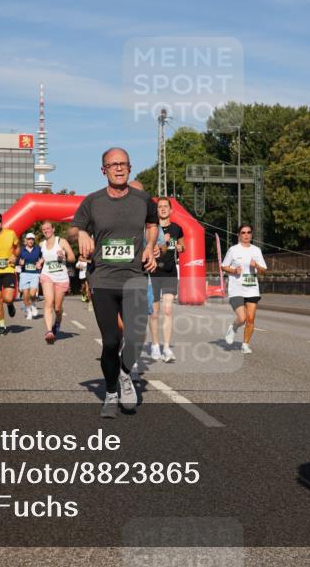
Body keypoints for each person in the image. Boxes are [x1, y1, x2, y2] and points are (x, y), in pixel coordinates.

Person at [70, 148, 157, 418]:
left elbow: (153, 224)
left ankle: (125, 373)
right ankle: (110, 392)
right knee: (110, 341)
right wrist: (82, 233)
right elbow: (72, 229)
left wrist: (150, 245)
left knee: (135, 338)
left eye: (123, 164)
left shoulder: (143, 199)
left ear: (130, 168)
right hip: (104, 278)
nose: (118, 168)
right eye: (112, 165)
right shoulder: (92, 202)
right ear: (103, 170)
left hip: (134, 277)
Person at [148, 197, 184, 363]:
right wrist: (162, 241)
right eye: (160, 207)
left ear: (171, 210)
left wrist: (179, 247)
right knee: (154, 313)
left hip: (169, 272)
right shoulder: (151, 229)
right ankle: (155, 345)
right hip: (153, 272)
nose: (162, 209)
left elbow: (182, 247)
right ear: (156, 210)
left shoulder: (177, 229)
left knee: (168, 310)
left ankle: (167, 348)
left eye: (165, 207)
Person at [222, 225, 267, 353]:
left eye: (248, 232)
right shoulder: (233, 250)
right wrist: (234, 270)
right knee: (242, 318)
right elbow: (223, 266)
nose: (246, 235)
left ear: (251, 234)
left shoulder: (256, 250)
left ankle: (245, 344)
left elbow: (264, 270)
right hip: (236, 289)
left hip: (252, 288)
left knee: (251, 318)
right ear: (239, 235)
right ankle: (234, 327)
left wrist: (256, 265)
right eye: (243, 233)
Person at [38, 221, 76, 344]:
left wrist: (64, 257)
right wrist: (40, 262)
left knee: (57, 308)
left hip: (61, 277)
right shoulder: (41, 244)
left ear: (53, 229)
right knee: (48, 302)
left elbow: (72, 258)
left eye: (48, 228)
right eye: (44, 229)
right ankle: (49, 331)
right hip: (47, 276)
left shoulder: (62, 242)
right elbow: (45, 256)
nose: (46, 230)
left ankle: (58, 321)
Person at [18, 232, 43, 319]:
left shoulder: (37, 249)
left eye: (32, 239)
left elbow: (43, 257)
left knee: (32, 294)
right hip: (24, 274)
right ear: (26, 240)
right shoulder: (22, 250)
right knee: (25, 296)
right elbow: (18, 261)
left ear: (34, 240)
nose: (30, 241)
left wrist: (40, 262)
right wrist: (20, 263)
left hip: (34, 274)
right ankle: (29, 311)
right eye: (29, 239)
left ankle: (33, 306)